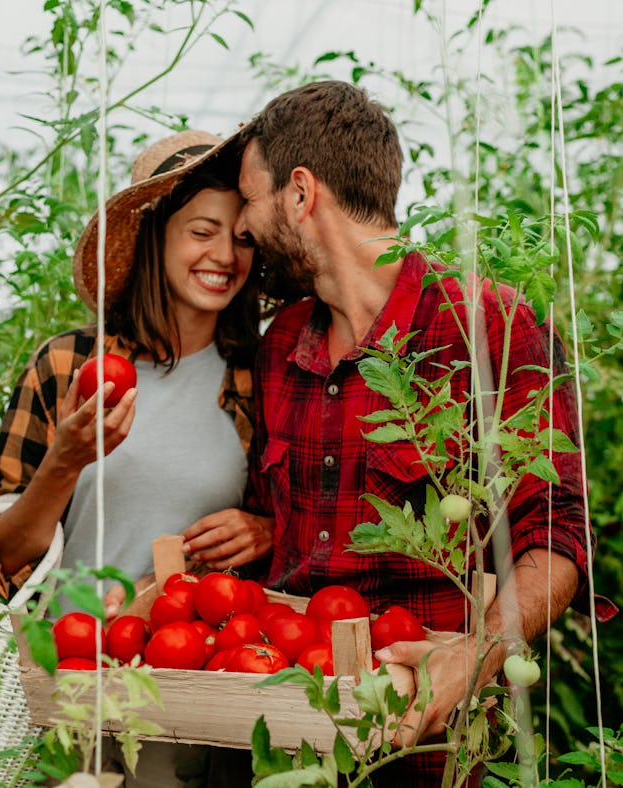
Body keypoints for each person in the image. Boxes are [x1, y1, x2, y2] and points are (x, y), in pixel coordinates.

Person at [181, 81, 615, 785]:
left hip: (425, 743)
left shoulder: (488, 328)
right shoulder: (282, 341)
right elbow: (289, 519)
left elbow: (554, 532)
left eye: (252, 200)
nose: (246, 228)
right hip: (280, 731)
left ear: (300, 194)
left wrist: (478, 651)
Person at [0, 129, 269, 787]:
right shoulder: (69, 366)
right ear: (154, 235)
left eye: (244, 237)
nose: (225, 255)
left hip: (185, 700)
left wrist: (264, 530)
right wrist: (66, 461)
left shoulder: (255, 383)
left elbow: (288, 548)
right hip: (58, 687)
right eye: (203, 231)